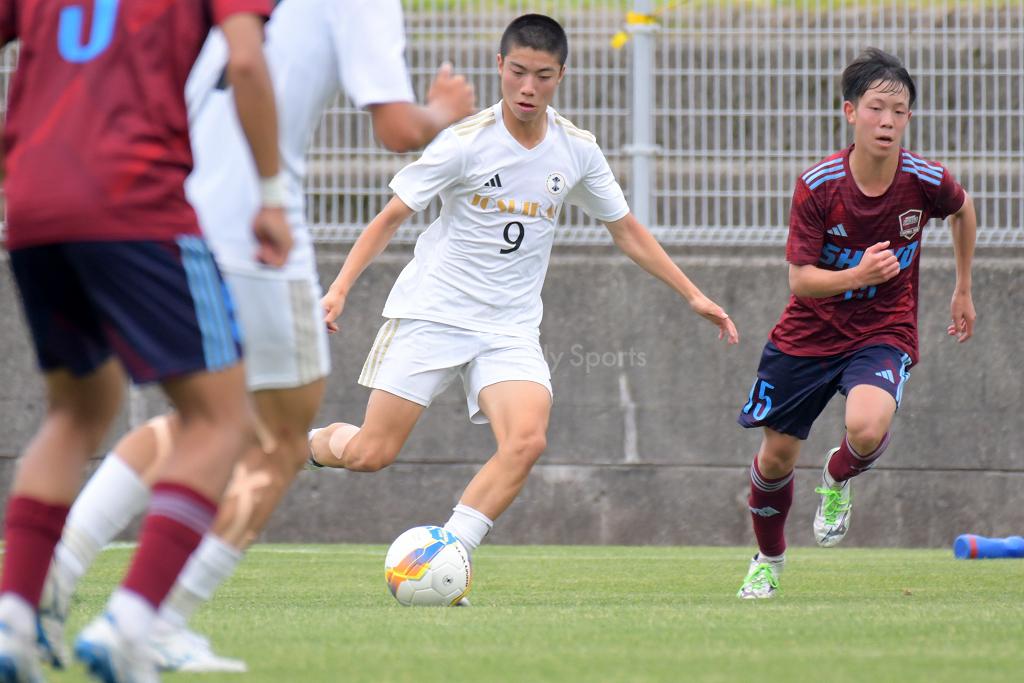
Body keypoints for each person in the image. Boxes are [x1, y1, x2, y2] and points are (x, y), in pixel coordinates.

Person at [37, 0, 476, 673]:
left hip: (163, 213)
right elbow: (396, 127)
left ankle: (55, 578)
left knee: (198, 421)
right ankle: (150, 621)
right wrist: (442, 110)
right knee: (280, 437)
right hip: (253, 234)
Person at [307, 14, 738, 583]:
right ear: (499, 67)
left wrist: (693, 295)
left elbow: (627, 230)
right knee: (370, 453)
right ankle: (306, 444)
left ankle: (448, 554)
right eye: (517, 72)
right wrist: (338, 289)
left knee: (527, 440)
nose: (528, 88)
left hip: (508, 330)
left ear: (561, 76)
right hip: (433, 313)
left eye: (542, 75)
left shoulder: (576, 149)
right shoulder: (464, 142)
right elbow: (391, 217)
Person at [0, 1, 290, 681]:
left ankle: (12, 619)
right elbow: (247, 60)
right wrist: (271, 195)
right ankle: (130, 624)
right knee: (221, 420)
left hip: (34, 202)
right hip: (134, 198)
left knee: (76, 411)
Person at [735, 48, 977, 599]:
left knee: (866, 427)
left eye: (899, 111)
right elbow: (801, 281)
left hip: (882, 330)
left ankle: (837, 477)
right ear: (850, 112)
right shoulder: (819, 185)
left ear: (909, 117)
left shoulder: (924, 180)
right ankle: (769, 559)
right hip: (807, 336)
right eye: (875, 108)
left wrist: (962, 287)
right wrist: (858, 274)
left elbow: (963, 210)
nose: (887, 121)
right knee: (775, 459)